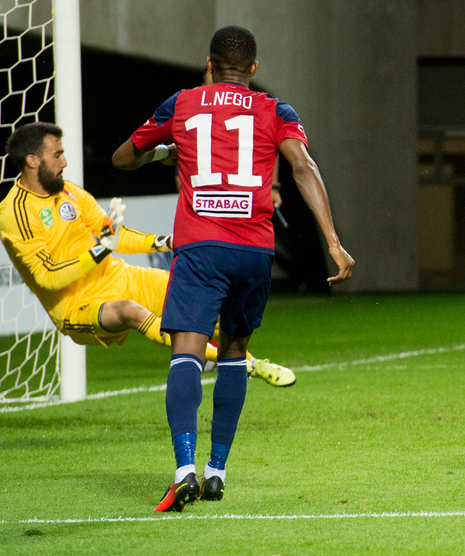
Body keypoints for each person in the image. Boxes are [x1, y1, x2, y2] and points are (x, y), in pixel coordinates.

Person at [112, 25, 354, 512]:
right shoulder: (276, 110)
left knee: (186, 351)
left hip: (201, 246)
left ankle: (184, 469)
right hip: (253, 251)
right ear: (254, 68)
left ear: (210, 64)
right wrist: (333, 241)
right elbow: (303, 167)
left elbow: (123, 158)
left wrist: (166, 152)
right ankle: (217, 471)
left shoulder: (183, 103)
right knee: (235, 352)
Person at [0, 122, 295, 388]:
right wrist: (100, 251)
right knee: (131, 311)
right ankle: (244, 365)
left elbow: (117, 236)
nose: (65, 161)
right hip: (77, 306)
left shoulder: (69, 192)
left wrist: (168, 242)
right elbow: (47, 276)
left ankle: (228, 360)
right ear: (32, 160)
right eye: (57, 154)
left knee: (210, 303)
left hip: (120, 277)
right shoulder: (15, 213)